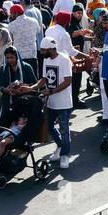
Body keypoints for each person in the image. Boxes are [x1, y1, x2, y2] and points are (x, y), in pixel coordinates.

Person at [38, 36, 74, 168]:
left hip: (63, 103)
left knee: (64, 130)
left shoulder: (64, 60)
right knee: (49, 127)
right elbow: (44, 79)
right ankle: (60, 146)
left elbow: (67, 81)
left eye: (43, 50)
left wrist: (51, 92)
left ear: (50, 49)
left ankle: (65, 154)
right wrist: (32, 88)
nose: (41, 52)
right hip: (51, 102)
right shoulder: (46, 60)